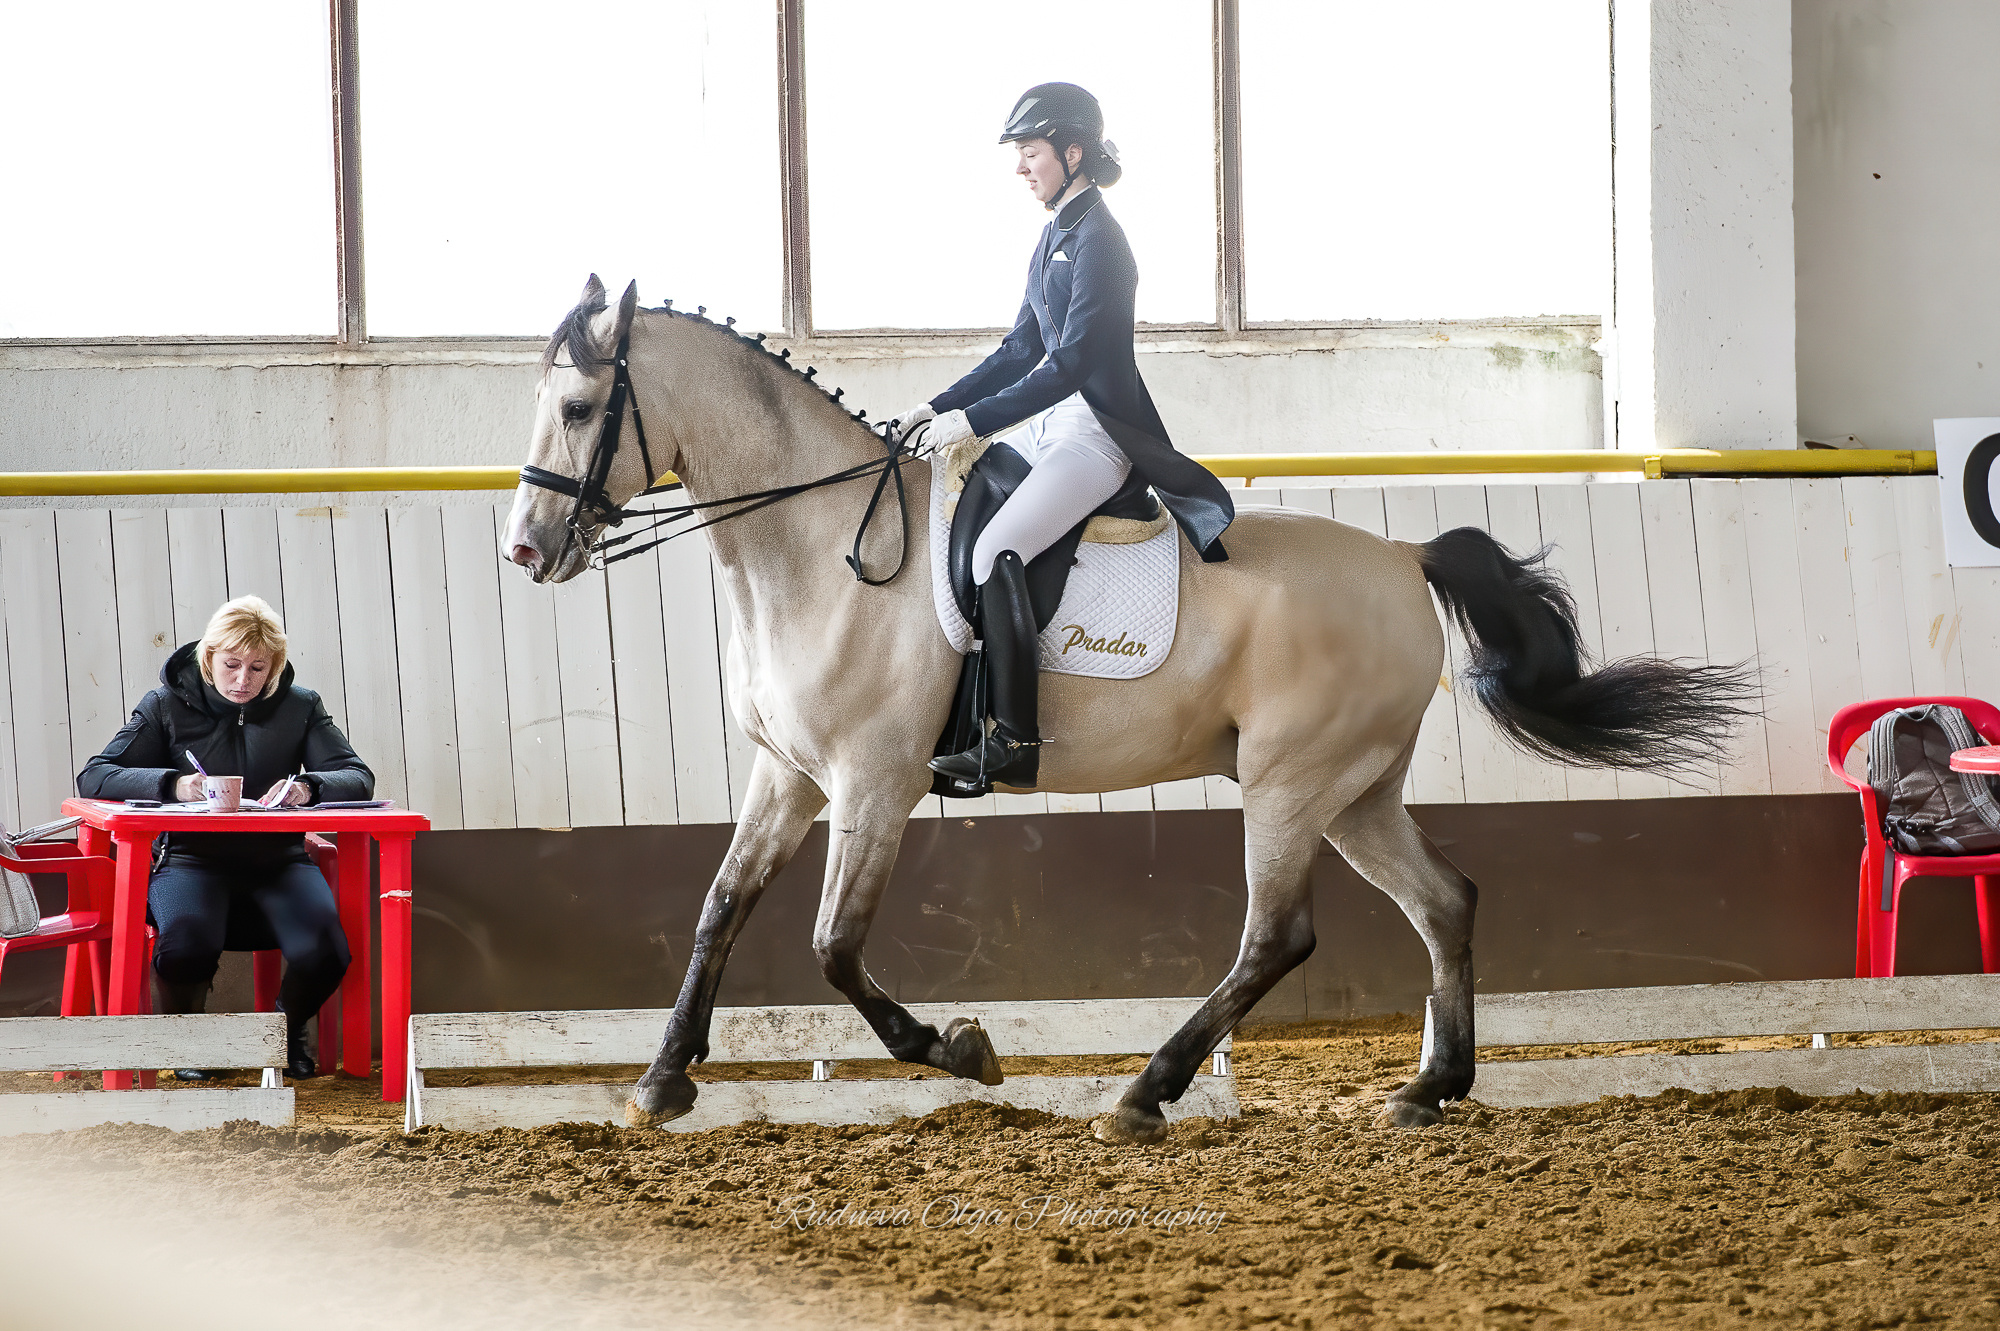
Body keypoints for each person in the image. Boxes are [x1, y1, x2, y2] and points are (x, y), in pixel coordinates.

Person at [896, 82, 1236, 792]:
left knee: (996, 549)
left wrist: (974, 422)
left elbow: (1072, 363)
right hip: (1053, 426)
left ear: (1072, 153)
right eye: (1021, 155)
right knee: (963, 514)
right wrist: (937, 408)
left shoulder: (1103, 243)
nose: (1021, 167)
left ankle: (1012, 740)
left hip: (1098, 435)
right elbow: (1020, 348)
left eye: (1032, 153)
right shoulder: (1055, 232)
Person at [76, 595, 373, 1080]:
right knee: (184, 947)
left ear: (274, 665)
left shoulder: (300, 706)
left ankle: (281, 1035)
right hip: (190, 861)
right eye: (231, 665)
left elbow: (358, 778)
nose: (243, 680)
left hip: (279, 861)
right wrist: (174, 785)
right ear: (208, 657)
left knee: (327, 952)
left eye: (258, 668)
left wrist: (307, 787)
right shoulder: (165, 704)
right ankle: (192, 1044)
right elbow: (95, 775)